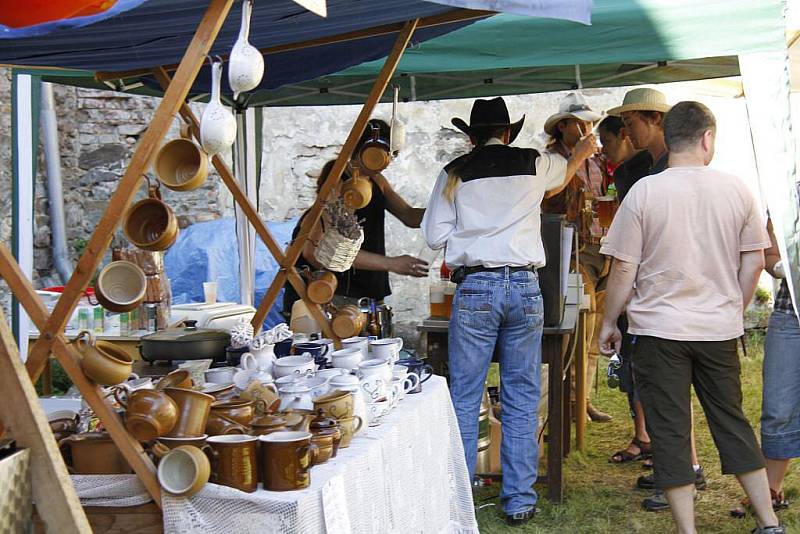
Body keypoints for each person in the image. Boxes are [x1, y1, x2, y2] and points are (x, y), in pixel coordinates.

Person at [599, 101, 784, 534]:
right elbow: (754, 260)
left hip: (659, 330)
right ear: (707, 139)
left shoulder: (645, 191)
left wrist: (609, 323)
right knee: (731, 420)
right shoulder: (736, 188)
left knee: (669, 428)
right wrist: (733, 309)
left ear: (673, 138)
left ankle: (688, 529)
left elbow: (624, 267)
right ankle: (769, 522)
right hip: (716, 328)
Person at [422, 97, 596, 526]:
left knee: (465, 396)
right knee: (521, 395)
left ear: (469, 135)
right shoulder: (535, 163)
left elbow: (433, 235)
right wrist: (581, 152)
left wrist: (474, 226)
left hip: (476, 286)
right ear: (510, 133)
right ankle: (518, 500)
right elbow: (562, 177)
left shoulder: (455, 172)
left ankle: (458, 499)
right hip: (524, 287)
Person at [605, 89, 706, 512]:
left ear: (656, 120)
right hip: (660, 291)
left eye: (632, 120)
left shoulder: (671, 169)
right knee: (663, 389)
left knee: (670, 390)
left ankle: (685, 471)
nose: (626, 128)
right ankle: (678, 467)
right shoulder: (650, 166)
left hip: (669, 292)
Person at [282, 119, 427, 317]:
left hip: (368, 295)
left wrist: (451, 211)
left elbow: (409, 216)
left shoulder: (376, 180)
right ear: (369, 151)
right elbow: (314, 252)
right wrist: (391, 263)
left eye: (392, 155)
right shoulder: (338, 185)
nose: (389, 161)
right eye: (386, 154)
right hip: (337, 297)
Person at [541, 93, 612, 423]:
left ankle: (582, 400)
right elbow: (548, 194)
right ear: (564, 126)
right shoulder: (551, 160)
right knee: (581, 324)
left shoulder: (597, 160)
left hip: (602, 246)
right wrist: (578, 156)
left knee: (597, 327)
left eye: (590, 122)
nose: (587, 128)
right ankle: (569, 402)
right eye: (581, 122)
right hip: (572, 250)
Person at [731, 218, 798, 517]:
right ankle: (772, 489)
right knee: (778, 405)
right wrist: (785, 267)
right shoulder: (788, 198)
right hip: (790, 315)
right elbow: (768, 255)